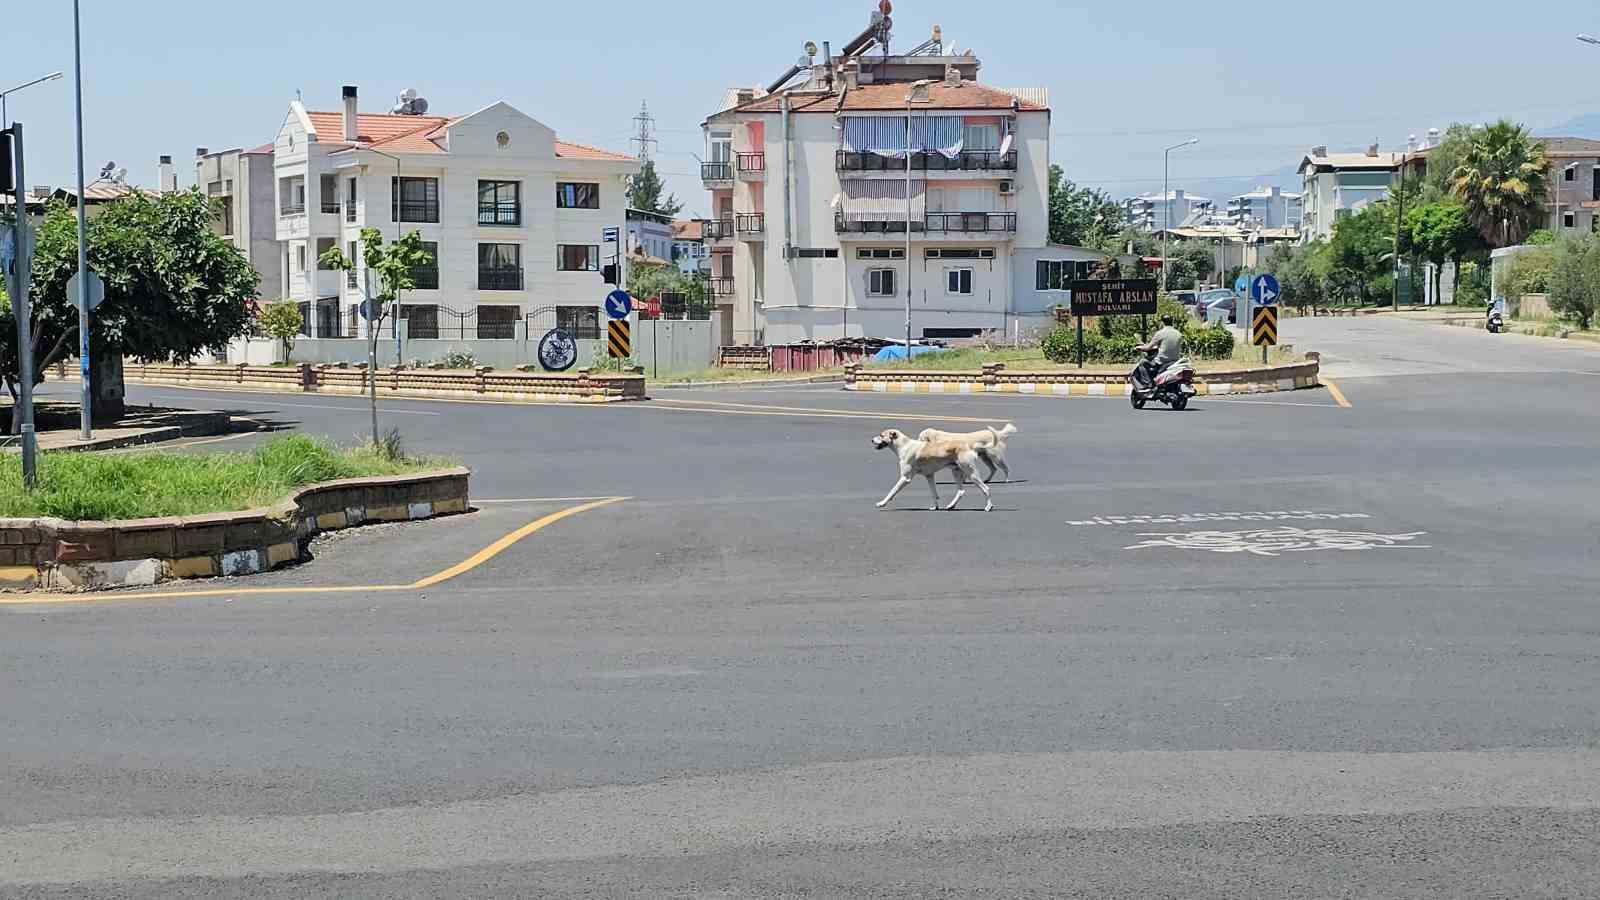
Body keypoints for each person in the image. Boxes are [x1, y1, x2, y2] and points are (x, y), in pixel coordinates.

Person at [1134, 315, 1185, 389]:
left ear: (1162, 323)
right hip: (1175, 361)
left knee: (1143, 363)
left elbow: (1148, 347)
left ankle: (1148, 384)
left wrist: (1138, 347)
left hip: (1162, 361)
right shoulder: (1179, 334)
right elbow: (1168, 345)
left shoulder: (1160, 333)